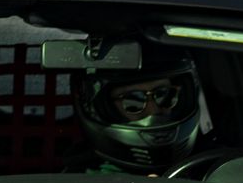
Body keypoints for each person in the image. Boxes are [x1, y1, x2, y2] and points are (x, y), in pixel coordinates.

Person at [71, 53, 206, 175]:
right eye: (133, 101)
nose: (153, 111)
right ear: (105, 109)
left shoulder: (208, 165)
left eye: (163, 94)